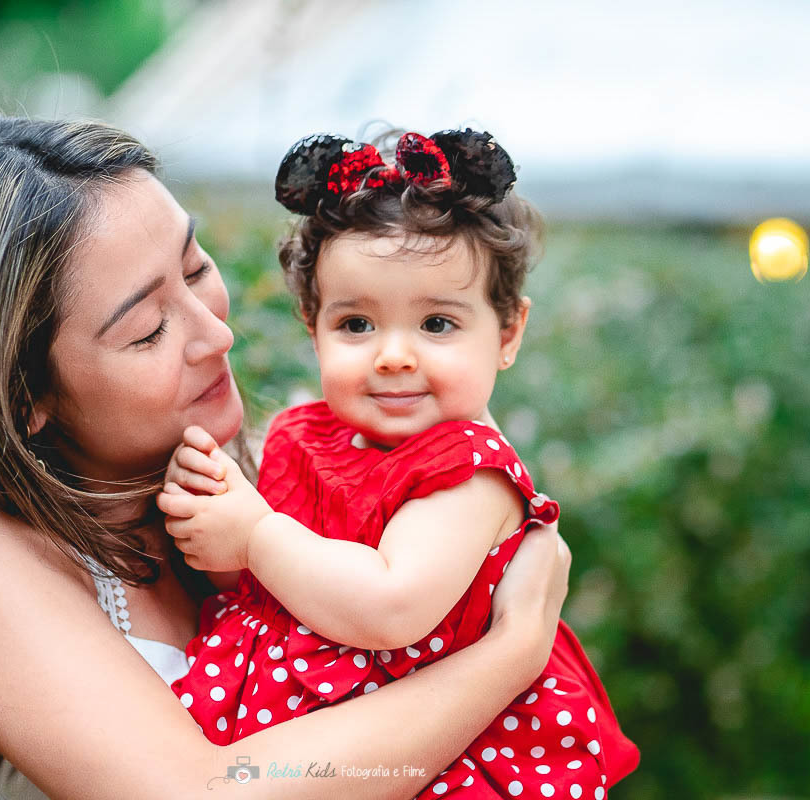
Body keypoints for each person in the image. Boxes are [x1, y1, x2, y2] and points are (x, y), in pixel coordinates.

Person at [0, 117, 574, 800]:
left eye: (194, 270)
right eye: (150, 330)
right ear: (22, 393)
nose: (217, 336)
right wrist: (508, 657)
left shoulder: (237, 471)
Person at [158, 130, 638, 798]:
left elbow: (390, 606)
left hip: (437, 754)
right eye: (356, 325)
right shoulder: (306, 434)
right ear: (311, 323)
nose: (393, 356)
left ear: (507, 334)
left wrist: (256, 534)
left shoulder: (470, 472)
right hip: (306, 737)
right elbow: (266, 589)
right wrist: (215, 525)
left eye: (437, 324)